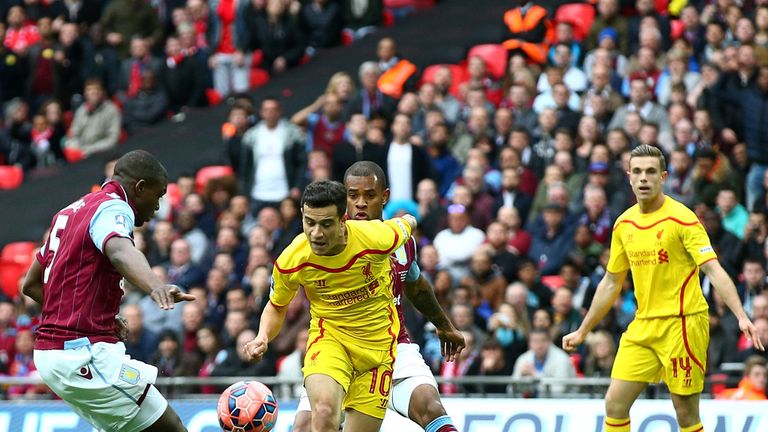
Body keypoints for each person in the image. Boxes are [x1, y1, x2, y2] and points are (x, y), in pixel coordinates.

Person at [563, 145, 765, 432]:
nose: (643, 178)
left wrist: (742, 316)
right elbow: (611, 282)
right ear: (629, 177)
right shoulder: (624, 224)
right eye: (637, 172)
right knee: (615, 404)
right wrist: (584, 329)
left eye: (650, 172)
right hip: (643, 325)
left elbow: (713, 269)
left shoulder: (682, 219)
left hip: (682, 325)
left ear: (663, 177)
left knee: (685, 414)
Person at [21, 150, 194, 431]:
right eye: (158, 195)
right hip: (81, 354)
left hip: (53, 354)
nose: (159, 206)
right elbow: (119, 250)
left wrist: (86, 314)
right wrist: (155, 285)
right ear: (139, 188)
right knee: (172, 427)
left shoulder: (71, 211)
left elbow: (30, 285)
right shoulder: (115, 208)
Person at [290, 162, 465, 432]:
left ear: (384, 197)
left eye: (369, 196)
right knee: (304, 426)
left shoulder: (401, 240)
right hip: (338, 348)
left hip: (392, 345)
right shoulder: (323, 239)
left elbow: (416, 286)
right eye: (352, 195)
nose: (360, 203)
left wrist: (444, 325)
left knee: (431, 407)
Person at [244, 180, 419, 432]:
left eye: (326, 224)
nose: (316, 233)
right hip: (330, 340)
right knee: (324, 411)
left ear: (343, 220)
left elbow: (407, 224)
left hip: (377, 352)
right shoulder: (292, 259)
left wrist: (411, 220)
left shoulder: (376, 238)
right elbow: (277, 305)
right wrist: (263, 336)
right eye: (310, 223)